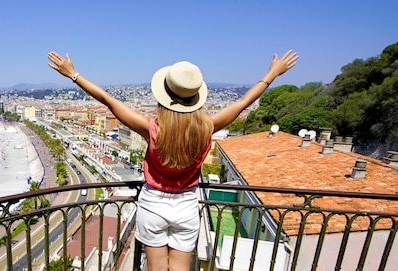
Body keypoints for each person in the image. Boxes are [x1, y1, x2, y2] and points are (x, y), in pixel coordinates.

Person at [47, 50, 298, 271]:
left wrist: (73, 74)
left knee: (156, 268)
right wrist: (271, 74)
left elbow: (108, 100)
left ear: (164, 95)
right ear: (195, 98)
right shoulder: (206, 127)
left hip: (154, 203)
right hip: (187, 204)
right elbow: (244, 102)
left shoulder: (152, 128)